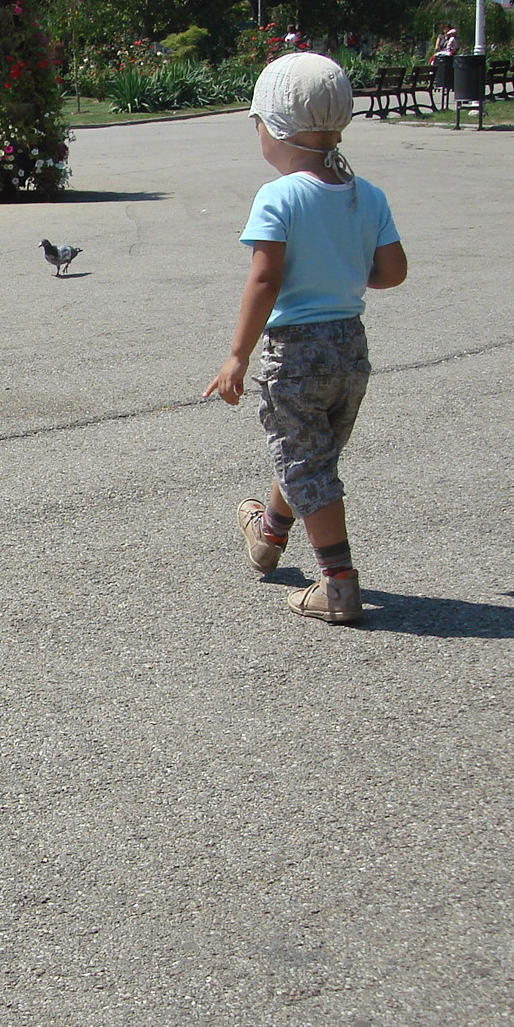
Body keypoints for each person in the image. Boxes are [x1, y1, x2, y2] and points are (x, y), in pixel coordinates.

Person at [205, 53, 409, 625]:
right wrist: (341, 270)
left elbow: (265, 279)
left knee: (308, 462)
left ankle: (338, 585)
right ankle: (270, 534)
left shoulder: (280, 196)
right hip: (350, 349)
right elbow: (393, 272)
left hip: (295, 352)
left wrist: (237, 355)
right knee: (309, 450)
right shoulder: (367, 194)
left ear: (276, 129)